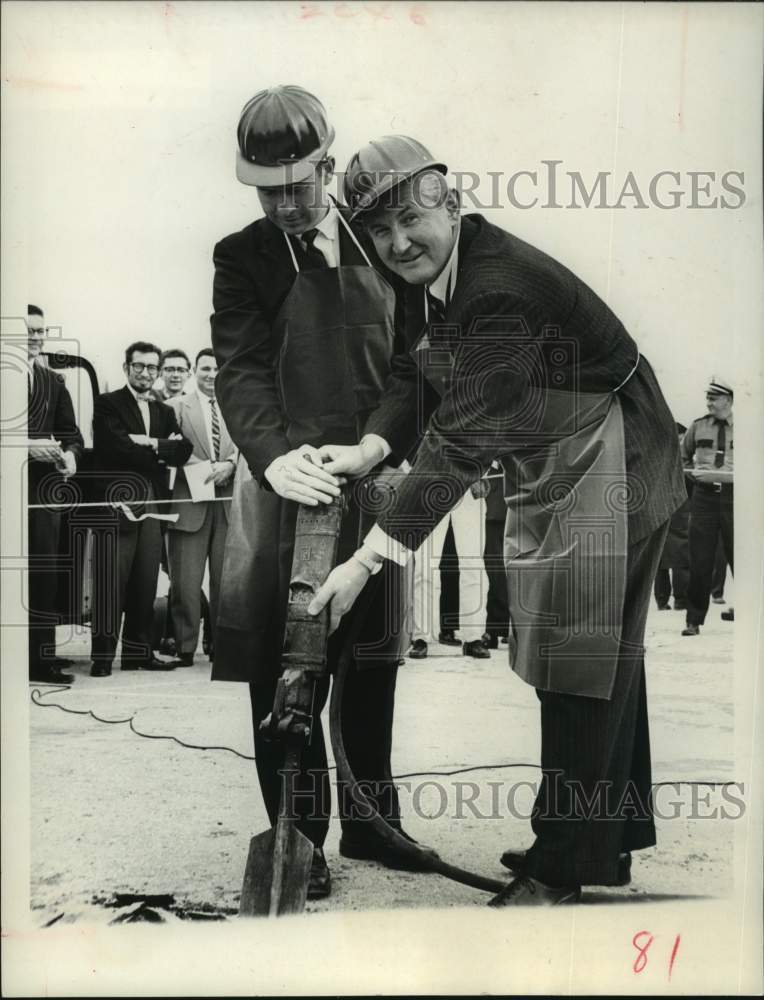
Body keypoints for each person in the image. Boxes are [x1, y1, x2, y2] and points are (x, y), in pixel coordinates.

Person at [309, 136, 687, 906]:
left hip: (616, 453)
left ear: (448, 198)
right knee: (579, 656)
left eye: (409, 218)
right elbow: (420, 374)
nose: (397, 242)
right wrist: (372, 446)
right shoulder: (435, 273)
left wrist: (363, 563)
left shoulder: (495, 291)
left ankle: (561, 866)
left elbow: (457, 445)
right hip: (566, 452)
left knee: (582, 661)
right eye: (378, 231)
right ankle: (589, 840)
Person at [210, 88, 425, 901]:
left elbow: (412, 367)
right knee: (284, 663)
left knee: (370, 657)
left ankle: (373, 820)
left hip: (371, 479)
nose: (284, 205)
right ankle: (301, 836)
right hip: (285, 485)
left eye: (298, 187)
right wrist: (269, 457)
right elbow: (240, 368)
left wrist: (377, 444)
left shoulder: (383, 243)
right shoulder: (244, 257)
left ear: (329, 168)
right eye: (267, 190)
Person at [89, 341, 192, 676]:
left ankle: (138, 654)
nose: (145, 373)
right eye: (139, 366)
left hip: (154, 500)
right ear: (126, 368)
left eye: (152, 367)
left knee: (146, 581)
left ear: (158, 371)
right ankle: (102, 658)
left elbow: (184, 450)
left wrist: (146, 443)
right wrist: (161, 449)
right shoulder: (107, 404)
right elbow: (115, 448)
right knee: (111, 582)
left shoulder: (164, 411)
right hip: (119, 500)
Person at [166, 349, 236, 665]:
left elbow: (249, 445)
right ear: (195, 371)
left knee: (227, 581)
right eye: (205, 368)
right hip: (190, 503)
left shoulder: (238, 408)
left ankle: (223, 646)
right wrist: (206, 469)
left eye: (217, 368)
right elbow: (170, 448)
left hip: (228, 506)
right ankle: (184, 647)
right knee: (185, 582)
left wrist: (231, 465)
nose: (211, 374)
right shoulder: (176, 407)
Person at [26, 305, 84, 684]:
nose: (35, 336)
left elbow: (72, 435)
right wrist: (23, 447)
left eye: (40, 330)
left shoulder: (54, 382)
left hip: (43, 494)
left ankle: (39, 659)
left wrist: (69, 458)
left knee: (44, 576)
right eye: (27, 330)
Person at [408, 484, 490, 659]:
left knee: (473, 566)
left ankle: (473, 638)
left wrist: (482, 470)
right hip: (432, 484)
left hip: (470, 486)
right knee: (425, 567)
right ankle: (421, 637)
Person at [681, 377, 734, 635]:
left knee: (742, 558)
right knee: (699, 559)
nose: (709, 402)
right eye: (708, 398)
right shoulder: (697, 426)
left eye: (714, 398)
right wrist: (695, 479)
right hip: (703, 499)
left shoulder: (749, 428)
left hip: (737, 498)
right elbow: (682, 458)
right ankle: (693, 620)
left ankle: (748, 612)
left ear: (729, 400)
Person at [653, 423, 691, 611]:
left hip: (658, 506)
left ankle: (662, 600)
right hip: (679, 506)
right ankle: (680, 599)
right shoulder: (682, 458)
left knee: (659, 555)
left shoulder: (655, 454)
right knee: (681, 554)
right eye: (682, 437)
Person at [482, 462, 511, 646]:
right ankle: (493, 629)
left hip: (514, 509)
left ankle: (506, 628)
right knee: (494, 571)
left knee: (511, 572)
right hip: (491, 509)